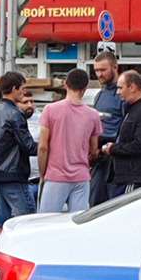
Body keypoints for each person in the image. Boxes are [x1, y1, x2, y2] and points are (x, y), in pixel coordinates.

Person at [37, 68, 102, 214]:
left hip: (55, 176)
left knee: (45, 222)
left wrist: (42, 174)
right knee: (77, 224)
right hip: (81, 177)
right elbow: (93, 150)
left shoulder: (50, 110)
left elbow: (43, 147)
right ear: (85, 88)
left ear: (66, 84)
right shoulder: (93, 115)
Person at [0, 71, 37, 242]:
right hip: (13, 174)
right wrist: (49, 147)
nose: (23, 92)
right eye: (22, 89)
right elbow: (28, 145)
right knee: (27, 220)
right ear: (14, 89)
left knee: (1, 223)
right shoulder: (14, 114)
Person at [102, 70, 141, 196]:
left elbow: (140, 146)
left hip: (133, 178)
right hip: (122, 177)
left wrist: (113, 149)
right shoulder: (131, 109)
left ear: (132, 87)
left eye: (120, 88)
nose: (118, 92)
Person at [89, 51, 125, 206]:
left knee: (113, 205)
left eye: (103, 70)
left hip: (115, 158)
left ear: (115, 67)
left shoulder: (123, 95)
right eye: (96, 70)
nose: (99, 74)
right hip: (99, 158)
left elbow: (127, 127)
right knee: (95, 202)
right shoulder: (100, 95)